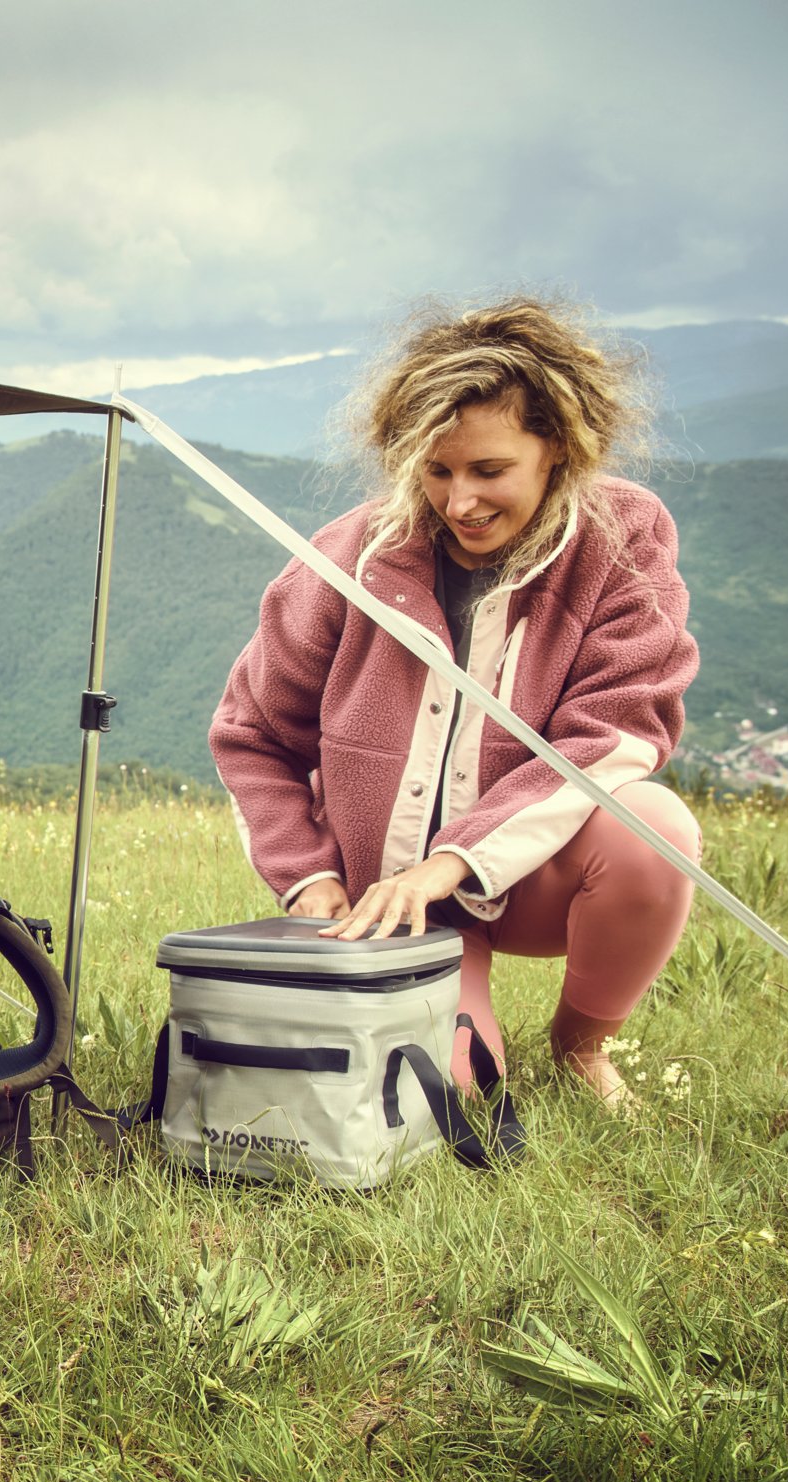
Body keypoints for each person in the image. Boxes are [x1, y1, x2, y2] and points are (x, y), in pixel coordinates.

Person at [211, 295, 701, 1104]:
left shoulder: (624, 537)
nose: (459, 501)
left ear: (558, 450)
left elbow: (617, 728)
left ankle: (581, 1047)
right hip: (393, 909)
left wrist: (450, 864)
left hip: (533, 877)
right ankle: (470, 1027)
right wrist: (306, 879)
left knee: (658, 829)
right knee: (449, 1097)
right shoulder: (350, 557)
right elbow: (253, 734)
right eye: (435, 471)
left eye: (489, 470)